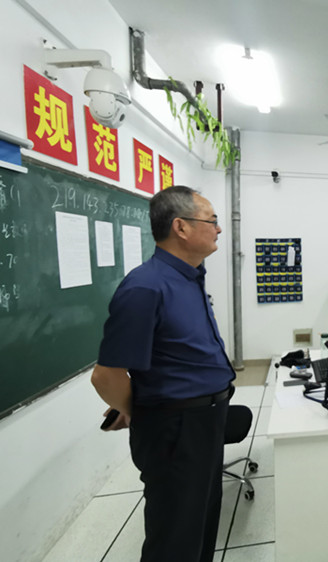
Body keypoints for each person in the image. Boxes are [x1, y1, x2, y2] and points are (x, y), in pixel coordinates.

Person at [91, 186, 236, 562]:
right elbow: (106, 376)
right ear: (181, 227)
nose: (219, 229)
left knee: (202, 523)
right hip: (175, 428)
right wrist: (142, 411)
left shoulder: (190, 276)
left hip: (205, 420)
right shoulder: (146, 287)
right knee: (175, 536)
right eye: (212, 220)